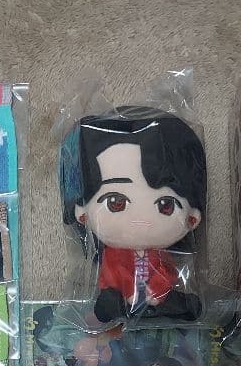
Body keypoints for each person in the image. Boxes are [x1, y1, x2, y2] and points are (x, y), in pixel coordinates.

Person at [62, 107, 206, 321]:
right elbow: (110, 275)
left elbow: (167, 273)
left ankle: (165, 308)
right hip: (122, 296)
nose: (141, 219)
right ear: (82, 214)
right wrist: (129, 292)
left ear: (193, 218)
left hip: (156, 298)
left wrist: (154, 293)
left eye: (165, 205)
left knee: (177, 303)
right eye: (115, 202)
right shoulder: (112, 256)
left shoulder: (160, 256)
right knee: (109, 303)